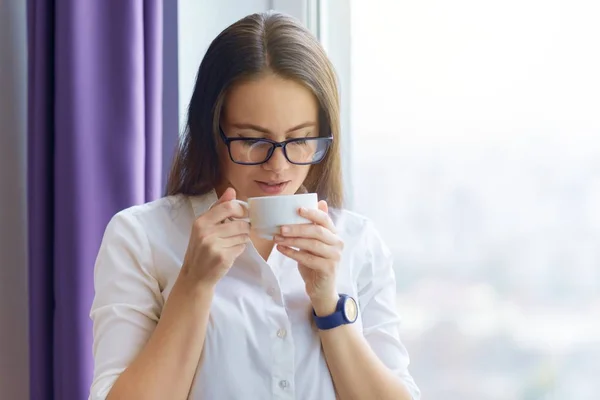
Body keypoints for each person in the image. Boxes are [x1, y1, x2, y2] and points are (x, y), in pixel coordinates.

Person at [89, 11, 420, 400]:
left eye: (300, 140)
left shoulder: (357, 242)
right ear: (213, 133)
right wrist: (194, 284)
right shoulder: (141, 237)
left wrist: (329, 305)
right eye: (252, 140)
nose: (277, 166)